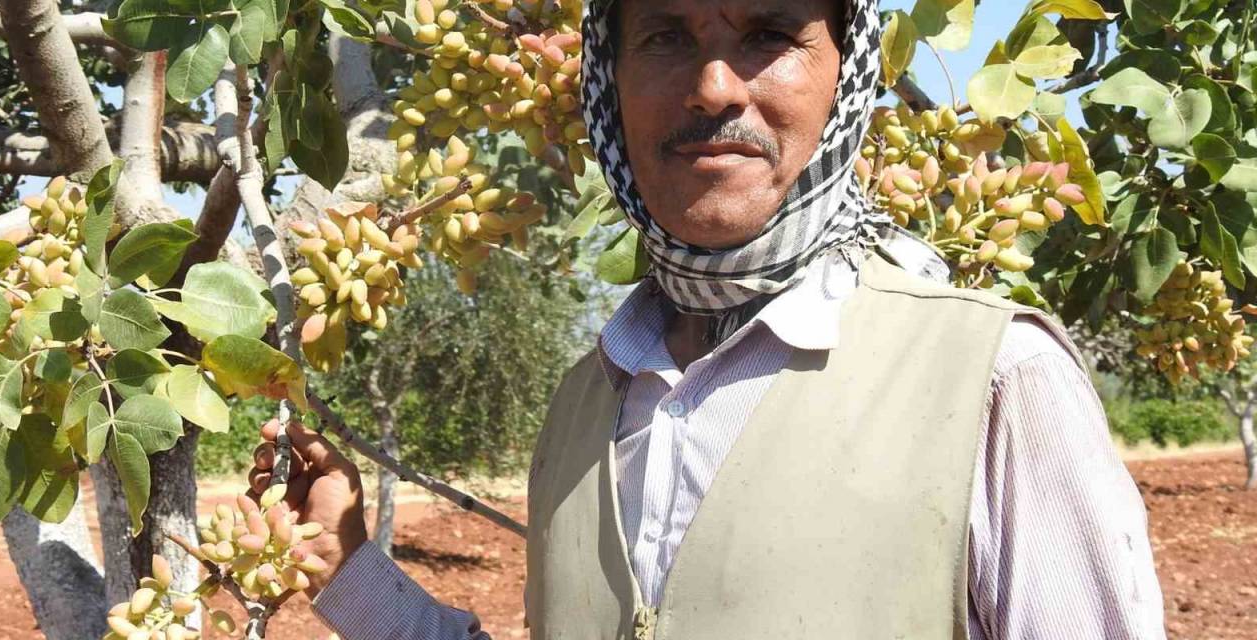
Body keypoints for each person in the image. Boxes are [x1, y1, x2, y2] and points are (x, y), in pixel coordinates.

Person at [248, 0, 1168, 637]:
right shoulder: (584, 406)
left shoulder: (996, 380)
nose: (715, 86)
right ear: (606, 82)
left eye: (770, 31)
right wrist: (351, 571)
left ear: (847, 79)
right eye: (664, 37)